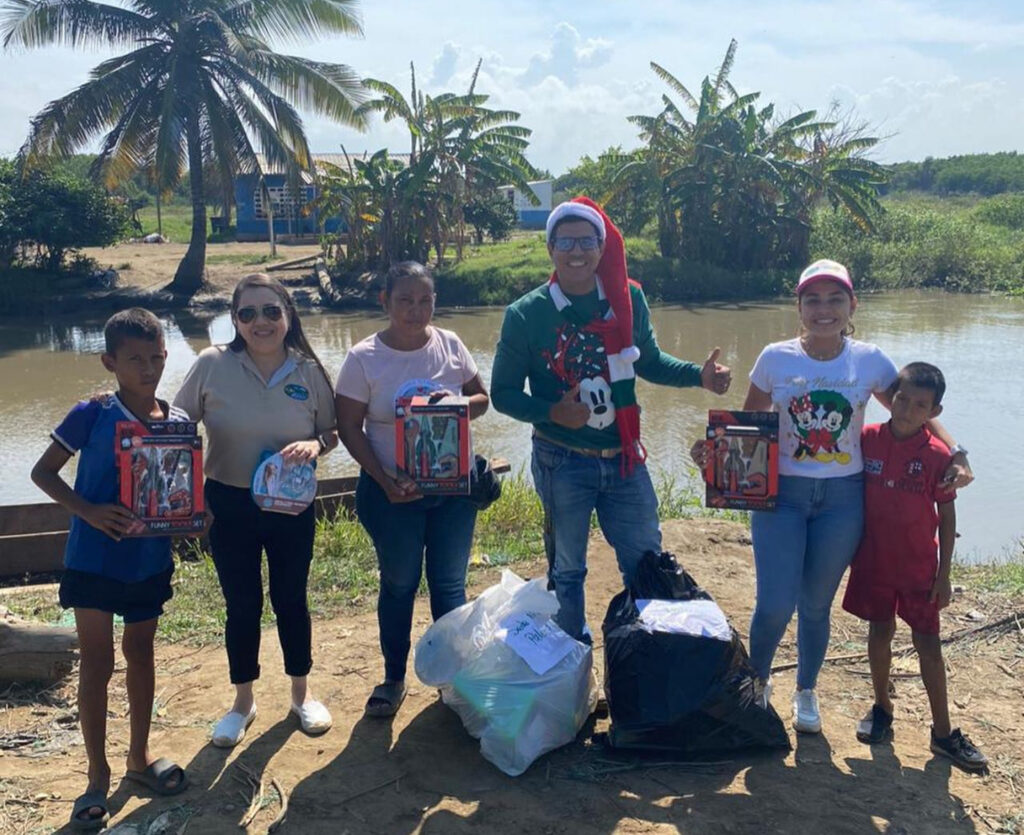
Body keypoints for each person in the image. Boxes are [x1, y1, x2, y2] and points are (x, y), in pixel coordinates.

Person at [713, 258, 973, 735]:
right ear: (799, 306)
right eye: (812, 299)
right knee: (774, 602)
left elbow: (913, 410)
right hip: (783, 496)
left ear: (852, 305)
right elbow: (747, 427)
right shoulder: (775, 358)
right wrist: (713, 451)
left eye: (835, 299)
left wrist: (956, 452)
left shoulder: (870, 360)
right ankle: (758, 684)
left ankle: (806, 691)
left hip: (843, 500)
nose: (823, 309)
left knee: (815, 603)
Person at [490, 197, 732, 641]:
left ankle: (648, 662)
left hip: (624, 457)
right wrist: (551, 412)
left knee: (645, 559)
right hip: (562, 458)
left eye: (587, 241)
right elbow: (501, 394)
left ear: (602, 248)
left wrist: (698, 375)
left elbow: (650, 361)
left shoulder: (627, 298)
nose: (576, 251)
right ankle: (575, 666)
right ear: (550, 248)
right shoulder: (525, 314)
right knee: (568, 568)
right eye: (566, 241)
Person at [31, 309, 188, 831]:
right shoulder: (91, 414)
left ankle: (138, 759)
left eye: (156, 357)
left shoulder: (178, 423)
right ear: (110, 362)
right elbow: (43, 472)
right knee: (97, 663)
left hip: (148, 560)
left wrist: (193, 516)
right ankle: (96, 774)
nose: (148, 368)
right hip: (93, 560)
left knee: (140, 654)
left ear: (167, 356)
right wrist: (89, 511)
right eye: (134, 359)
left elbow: (181, 494)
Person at [174, 274, 338, 747]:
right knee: (242, 604)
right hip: (228, 502)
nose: (260, 322)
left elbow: (331, 432)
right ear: (235, 321)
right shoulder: (211, 364)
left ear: (288, 316)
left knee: (291, 598)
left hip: (291, 506)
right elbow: (176, 428)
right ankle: (242, 703)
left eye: (271, 311)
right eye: (247, 313)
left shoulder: (307, 371)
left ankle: (301, 695)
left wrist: (314, 443)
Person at [335, 261, 489, 717]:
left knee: (449, 585)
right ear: (385, 302)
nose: (415, 310)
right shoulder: (364, 357)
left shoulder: (451, 345)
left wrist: (457, 403)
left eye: (425, 300)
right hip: (392, 493)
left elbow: (481, 399)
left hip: (453, 491)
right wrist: (384, 479)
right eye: (405, 300)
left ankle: (450, 679)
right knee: (399, 584)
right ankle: (394, 677)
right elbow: (348, 426)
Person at [842, 362, 987, 771]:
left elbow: (947, 515)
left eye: (919, 405)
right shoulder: (866, 439)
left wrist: (944, 574)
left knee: (928, 646)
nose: (906, 410)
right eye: (902, 399)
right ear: (891, 398)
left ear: (933, 413)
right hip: (873, 562)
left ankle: (943, 732)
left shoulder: (939, 456)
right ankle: (882, 707)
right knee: (878, 634)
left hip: (919, 567)